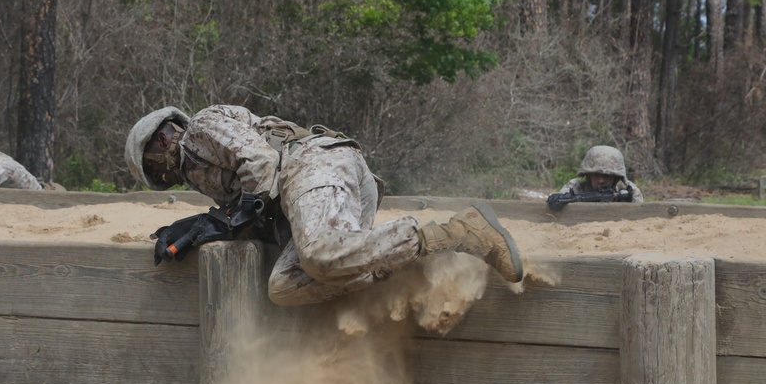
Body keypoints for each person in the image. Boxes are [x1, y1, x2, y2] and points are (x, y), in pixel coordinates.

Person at [125, 105, 524, 306]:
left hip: (315, 163)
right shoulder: (198, 171)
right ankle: (414, 265)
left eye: (154, 171)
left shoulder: (200, 128)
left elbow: (262, 163)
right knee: (284, 287)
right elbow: (259, 208)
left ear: (160, 143)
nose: (163, 179)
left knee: (318, 255)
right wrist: (220, 221)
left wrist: (230, 216)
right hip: (311, 185)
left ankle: (460, 231)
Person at [553, 145, 644, 203]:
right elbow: (560, 198)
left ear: (616, 177)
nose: (601, 180)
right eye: (596, 175)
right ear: (588, 175)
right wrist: (558, 199)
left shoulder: (628, 192)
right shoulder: (576, 188)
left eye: (607, 175)